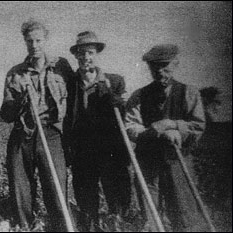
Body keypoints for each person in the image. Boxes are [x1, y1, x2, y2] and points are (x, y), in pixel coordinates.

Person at [0, 19, 74, 231]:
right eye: (30, 41)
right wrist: (20, 98)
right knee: (20, 188)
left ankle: (60, 228)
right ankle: (25, 227)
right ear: (25, 41)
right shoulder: (15, 73)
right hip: (23, 134)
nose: (34, 45)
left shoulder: (61, 67)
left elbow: (74, 97)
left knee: (55, 185)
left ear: (45, 40)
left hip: (50, 133)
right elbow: (6, 114)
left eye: (38, 40)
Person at [125, 44, 207, 231]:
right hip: (148, 162)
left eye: (165, 66)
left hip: (178, 161)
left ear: (175, 64)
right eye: (154, 67)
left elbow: (198, 126)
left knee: (183, 214)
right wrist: (157, 131)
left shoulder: (189, 92)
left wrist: (174, 126)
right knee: (150, 214)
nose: (160, 71)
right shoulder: (139, 96)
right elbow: (131, 126)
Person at [64, 31, 132, 231]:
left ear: (97, 54)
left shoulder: (114, 81)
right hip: (82, 149)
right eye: (82, 53)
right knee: (85, 195)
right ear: (76, 55)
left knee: (116, 193)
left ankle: (117, 224)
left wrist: (116, 101)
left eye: (91, 53)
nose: (86, 57)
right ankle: (90, 227)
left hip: (109, 148)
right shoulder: (70, 84)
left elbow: (126, 111)